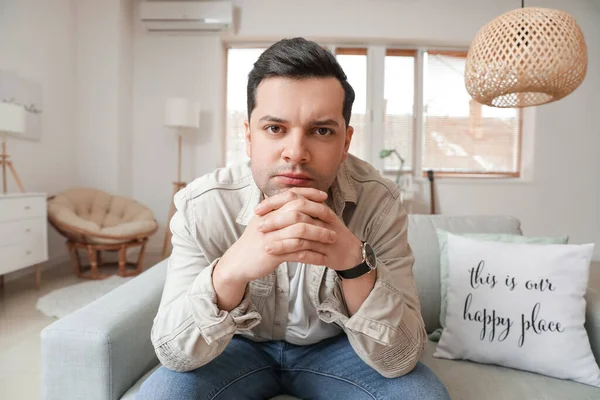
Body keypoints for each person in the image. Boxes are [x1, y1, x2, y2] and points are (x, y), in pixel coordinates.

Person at [137, 37, 450, 400]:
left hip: (338, 349)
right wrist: (230, 272)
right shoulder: (202, 204)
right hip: (235, 348)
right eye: (275, 129)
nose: (296, 153)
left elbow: (402, 358)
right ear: (249, 136)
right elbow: (172, 353)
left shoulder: (379, 201)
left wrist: (353, 264)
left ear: (345, 142)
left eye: (321, 131)